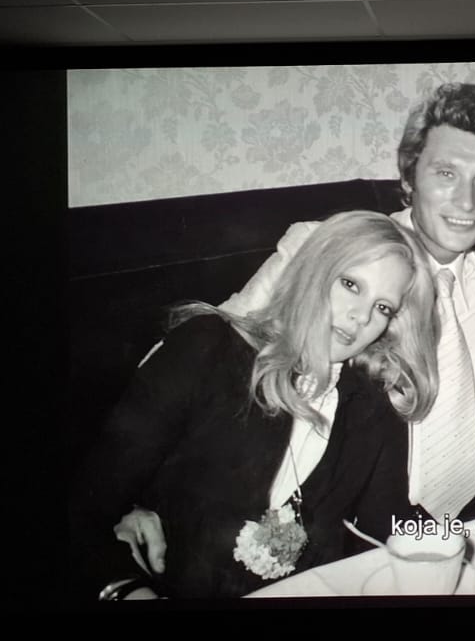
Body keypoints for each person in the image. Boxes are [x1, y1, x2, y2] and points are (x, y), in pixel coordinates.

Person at [220, 82, 475, 525]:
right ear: (409, 178)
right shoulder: (327, 250)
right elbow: (204, 354)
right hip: (345, 524)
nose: (467, 201)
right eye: (446, 174)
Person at [71, 211, 440, 600]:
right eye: (350, 285)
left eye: (383, 307)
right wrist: (126, 590)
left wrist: (466, 543)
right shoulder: (208, 349)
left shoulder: (371, 400)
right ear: (314, 271)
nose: (361, 317)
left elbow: (391, 517)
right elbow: (85, 507)